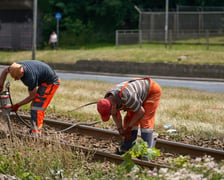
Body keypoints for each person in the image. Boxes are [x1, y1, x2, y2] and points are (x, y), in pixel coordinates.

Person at [97, 77, 162, 154]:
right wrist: (120, 129)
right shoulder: (108, 98)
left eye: (110, 113)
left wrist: (129, 127)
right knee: (128, 119)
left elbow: (141, 112)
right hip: (135, 94)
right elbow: (115, 114)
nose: (111, 115)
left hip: (151, 90)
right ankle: (127, 148)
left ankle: (146, 152)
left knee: (145, 120)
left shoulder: (126, 96)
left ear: (113, 106)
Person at [0, 60, 60, 136]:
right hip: (43, 79)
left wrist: (17, 105)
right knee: (35, 106)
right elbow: (5, 71)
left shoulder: (29, 78)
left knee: (37, 107)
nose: (16, 79)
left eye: (17, 77)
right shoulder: (15, 67)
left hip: (51, 83)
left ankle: (36, 134)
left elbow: (32, 96)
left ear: (22, 73)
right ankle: (34, 130)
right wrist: (0, 86)